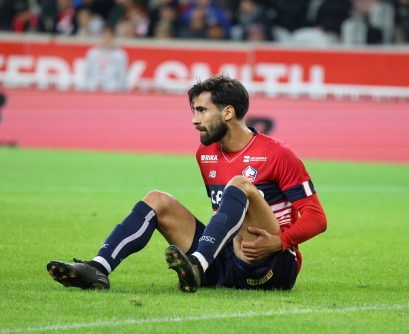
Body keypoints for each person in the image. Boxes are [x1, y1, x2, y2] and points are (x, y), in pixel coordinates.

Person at [46, 75, 327, 293]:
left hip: (269, 262)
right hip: (224, 260)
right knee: (158, 199)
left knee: (240, 185)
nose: (194, 120)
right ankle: (98, 268)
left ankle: (197, 264)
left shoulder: (277, 154)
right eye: (194, 111)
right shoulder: (205, 154)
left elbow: (317, 217)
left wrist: (279, 242)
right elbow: (224, 214)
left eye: (202, 111)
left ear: (227, 113)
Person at [83, 24, 128, 92]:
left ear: (114, 36)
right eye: (105, 34)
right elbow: (88, 72)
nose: (107, 38)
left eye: (109, 35)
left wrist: (122, 90)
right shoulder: (93, 53)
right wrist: (86, 87)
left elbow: (122, 75)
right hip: (93, 88)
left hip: (112, 90)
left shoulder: (120, 55)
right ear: (101, 35)